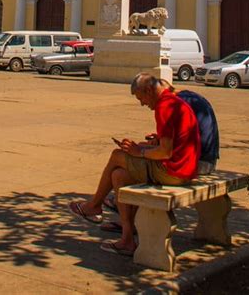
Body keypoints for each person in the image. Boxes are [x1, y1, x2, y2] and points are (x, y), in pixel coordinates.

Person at [69, 72, 201, 256]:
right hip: (185, 168)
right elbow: (169, 143)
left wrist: (139, 152)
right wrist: (149, 144)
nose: (143, 104)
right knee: (118, 176)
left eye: (142, 99)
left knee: (117, 155)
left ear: (149, 90)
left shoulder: (164, 107)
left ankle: (94, 205)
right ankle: (127, 239)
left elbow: (165, 152)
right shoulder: (175, 101)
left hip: (173, 171)